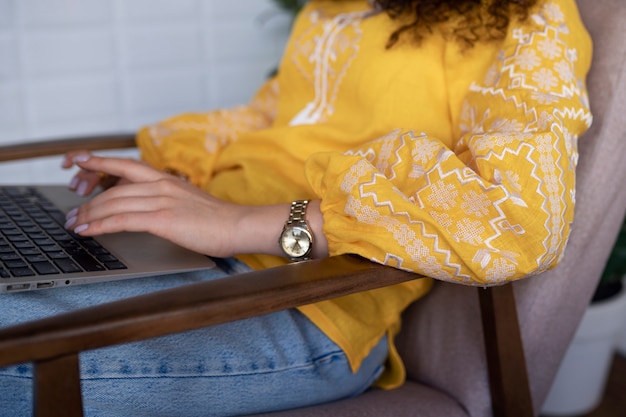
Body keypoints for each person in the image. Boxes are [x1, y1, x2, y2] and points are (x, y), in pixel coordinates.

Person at [0, 0, 592, 415]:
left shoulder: (526, 15)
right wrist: (171, 176)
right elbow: (273, 123)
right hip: (185, 257)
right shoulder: (330, 9)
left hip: (306, 312)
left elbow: (516, 217)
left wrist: (239, 224)